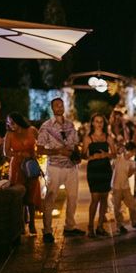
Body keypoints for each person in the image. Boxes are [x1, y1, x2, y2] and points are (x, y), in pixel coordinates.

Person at [37, 98, 85, 243]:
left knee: (73, 197)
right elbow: (39, 150)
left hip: (71, 167)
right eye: (56, 105)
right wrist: (58, 151)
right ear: (52, 108)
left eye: (61, 105)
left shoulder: (70, 125)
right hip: (55, 167)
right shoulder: (46, 127)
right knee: (51, 197)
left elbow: (76, 144)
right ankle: (47, 230)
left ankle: (70, 226)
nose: (60, 107)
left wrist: (77, 155)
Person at [3, 112, 42, 236]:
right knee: (19, 194)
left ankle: (32, 223)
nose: (10, 125)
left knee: (31, 194)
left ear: (18, 120)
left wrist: (36, 153)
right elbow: (6, 152)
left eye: (12, 122)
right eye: (8, 123)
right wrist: (19, 154)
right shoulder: (9, 134)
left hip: (31, 164)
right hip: (17, 167)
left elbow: (42, 142)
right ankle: (20, 225)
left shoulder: (32, 130)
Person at [82, 113, 116, 237]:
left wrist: (105, 155)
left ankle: (100, 226)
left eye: (101, 121)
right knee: (95, 199)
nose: (99, 124)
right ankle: (90, 226)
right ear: (92, 123)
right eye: (96, 121)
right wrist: (92, 156)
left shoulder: (108, 137)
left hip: (105, 169)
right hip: (94, 170)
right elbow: (83, 155)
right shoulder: (88, 138)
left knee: (104, 199)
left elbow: (114, 154)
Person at [111, 141, 136, 234]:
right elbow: (112, 166)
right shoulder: (118, 158)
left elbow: (129, 174)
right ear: (128, 150)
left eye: (134, 152)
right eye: (133, 152)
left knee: (132, 205)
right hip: (116, 186)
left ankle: (134, 222)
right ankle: (119, 225)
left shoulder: (132, 162)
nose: (133, 154)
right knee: (117, 207)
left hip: (125, 186)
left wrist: (132, 171)